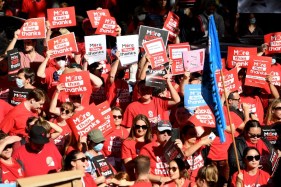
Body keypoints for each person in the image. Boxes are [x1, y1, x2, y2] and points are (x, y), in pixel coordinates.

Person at [139, 120, 183, 186]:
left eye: (168, 132)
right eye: (162, 132)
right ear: (156, 133)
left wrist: (180, 150)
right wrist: (161, 179)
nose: (166, 134)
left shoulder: (176, 145)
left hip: (173, 183)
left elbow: (184, 170)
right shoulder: (147, 148)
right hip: (156, 183)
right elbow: (142, 174)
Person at [122, 114, 152, 180]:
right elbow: (128, 165)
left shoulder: (151, 141)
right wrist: (142, 163)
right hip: (134, 179)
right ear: (133, 127)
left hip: (151, 178)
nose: (140, 129)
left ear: (148, 127)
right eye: (137, 126)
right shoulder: (127, 142)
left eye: (144, 127)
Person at [103, 106, 129, 171]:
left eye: (119, 117)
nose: (117, 118)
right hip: (106, 161)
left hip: (120, 163)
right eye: (114, 116)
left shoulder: (126, 132)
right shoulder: (104, 129)